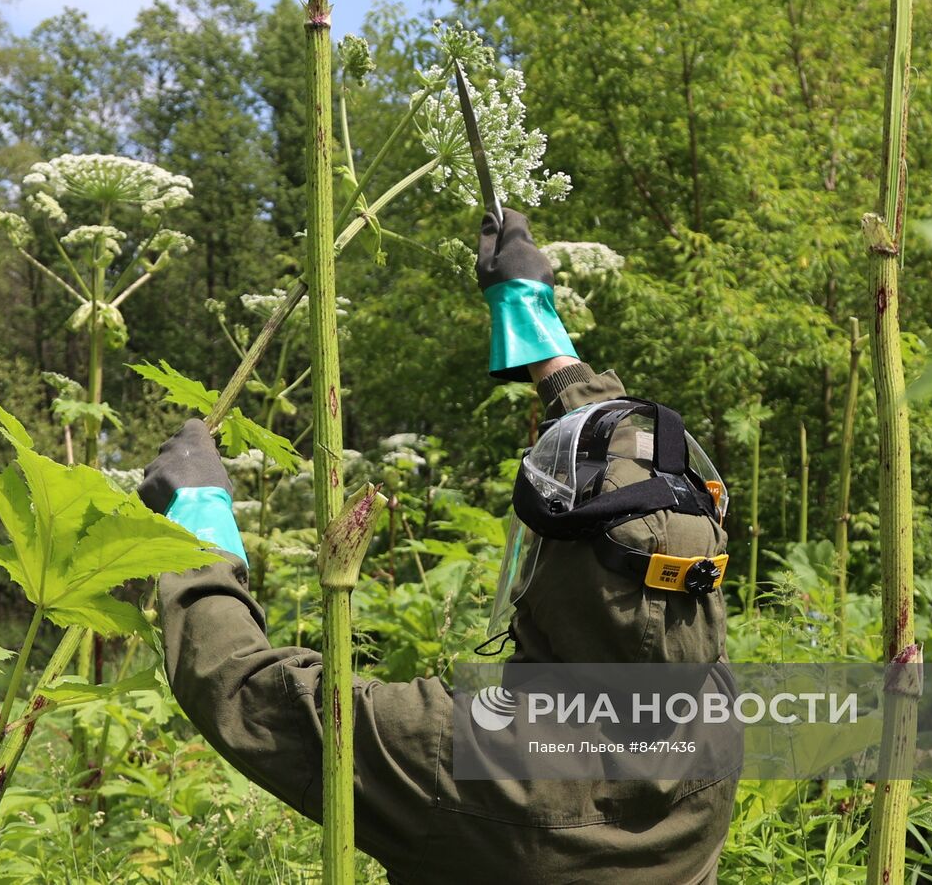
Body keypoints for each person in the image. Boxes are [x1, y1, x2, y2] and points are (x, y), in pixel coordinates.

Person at [141, 210, 738, 884]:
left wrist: (197, 519)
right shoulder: (712, 702)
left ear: (559, 580)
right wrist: (536, 328)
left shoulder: (455, 751)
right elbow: (645, 498)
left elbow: (238, 685)